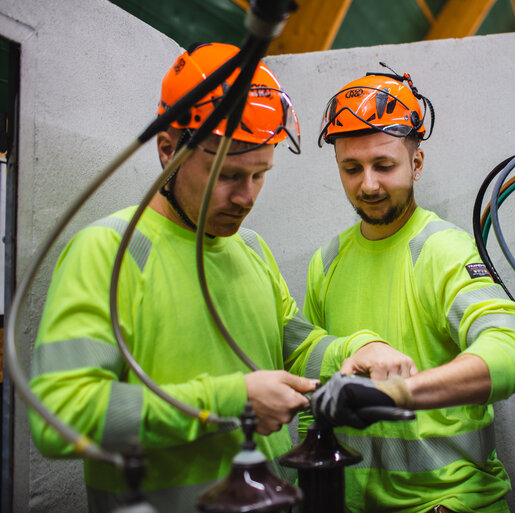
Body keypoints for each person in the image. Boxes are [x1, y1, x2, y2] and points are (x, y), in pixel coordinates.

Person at [28, 43, 411, 512]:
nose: (246, 197)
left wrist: (356, 350)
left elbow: (293, 346)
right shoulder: (109, 253)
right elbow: (58, 415)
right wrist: (230, 401)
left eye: (260, 175)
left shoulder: (248, 248)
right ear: (168, 150)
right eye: (227, 175)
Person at [301, 68, 515, 513]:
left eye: (384, 165)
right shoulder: (326, 262)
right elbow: (312, 386)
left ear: (416, 163)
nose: (368, 184)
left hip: (450, 504)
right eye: (351, 168)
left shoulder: (442, 251)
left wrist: (401, 394)